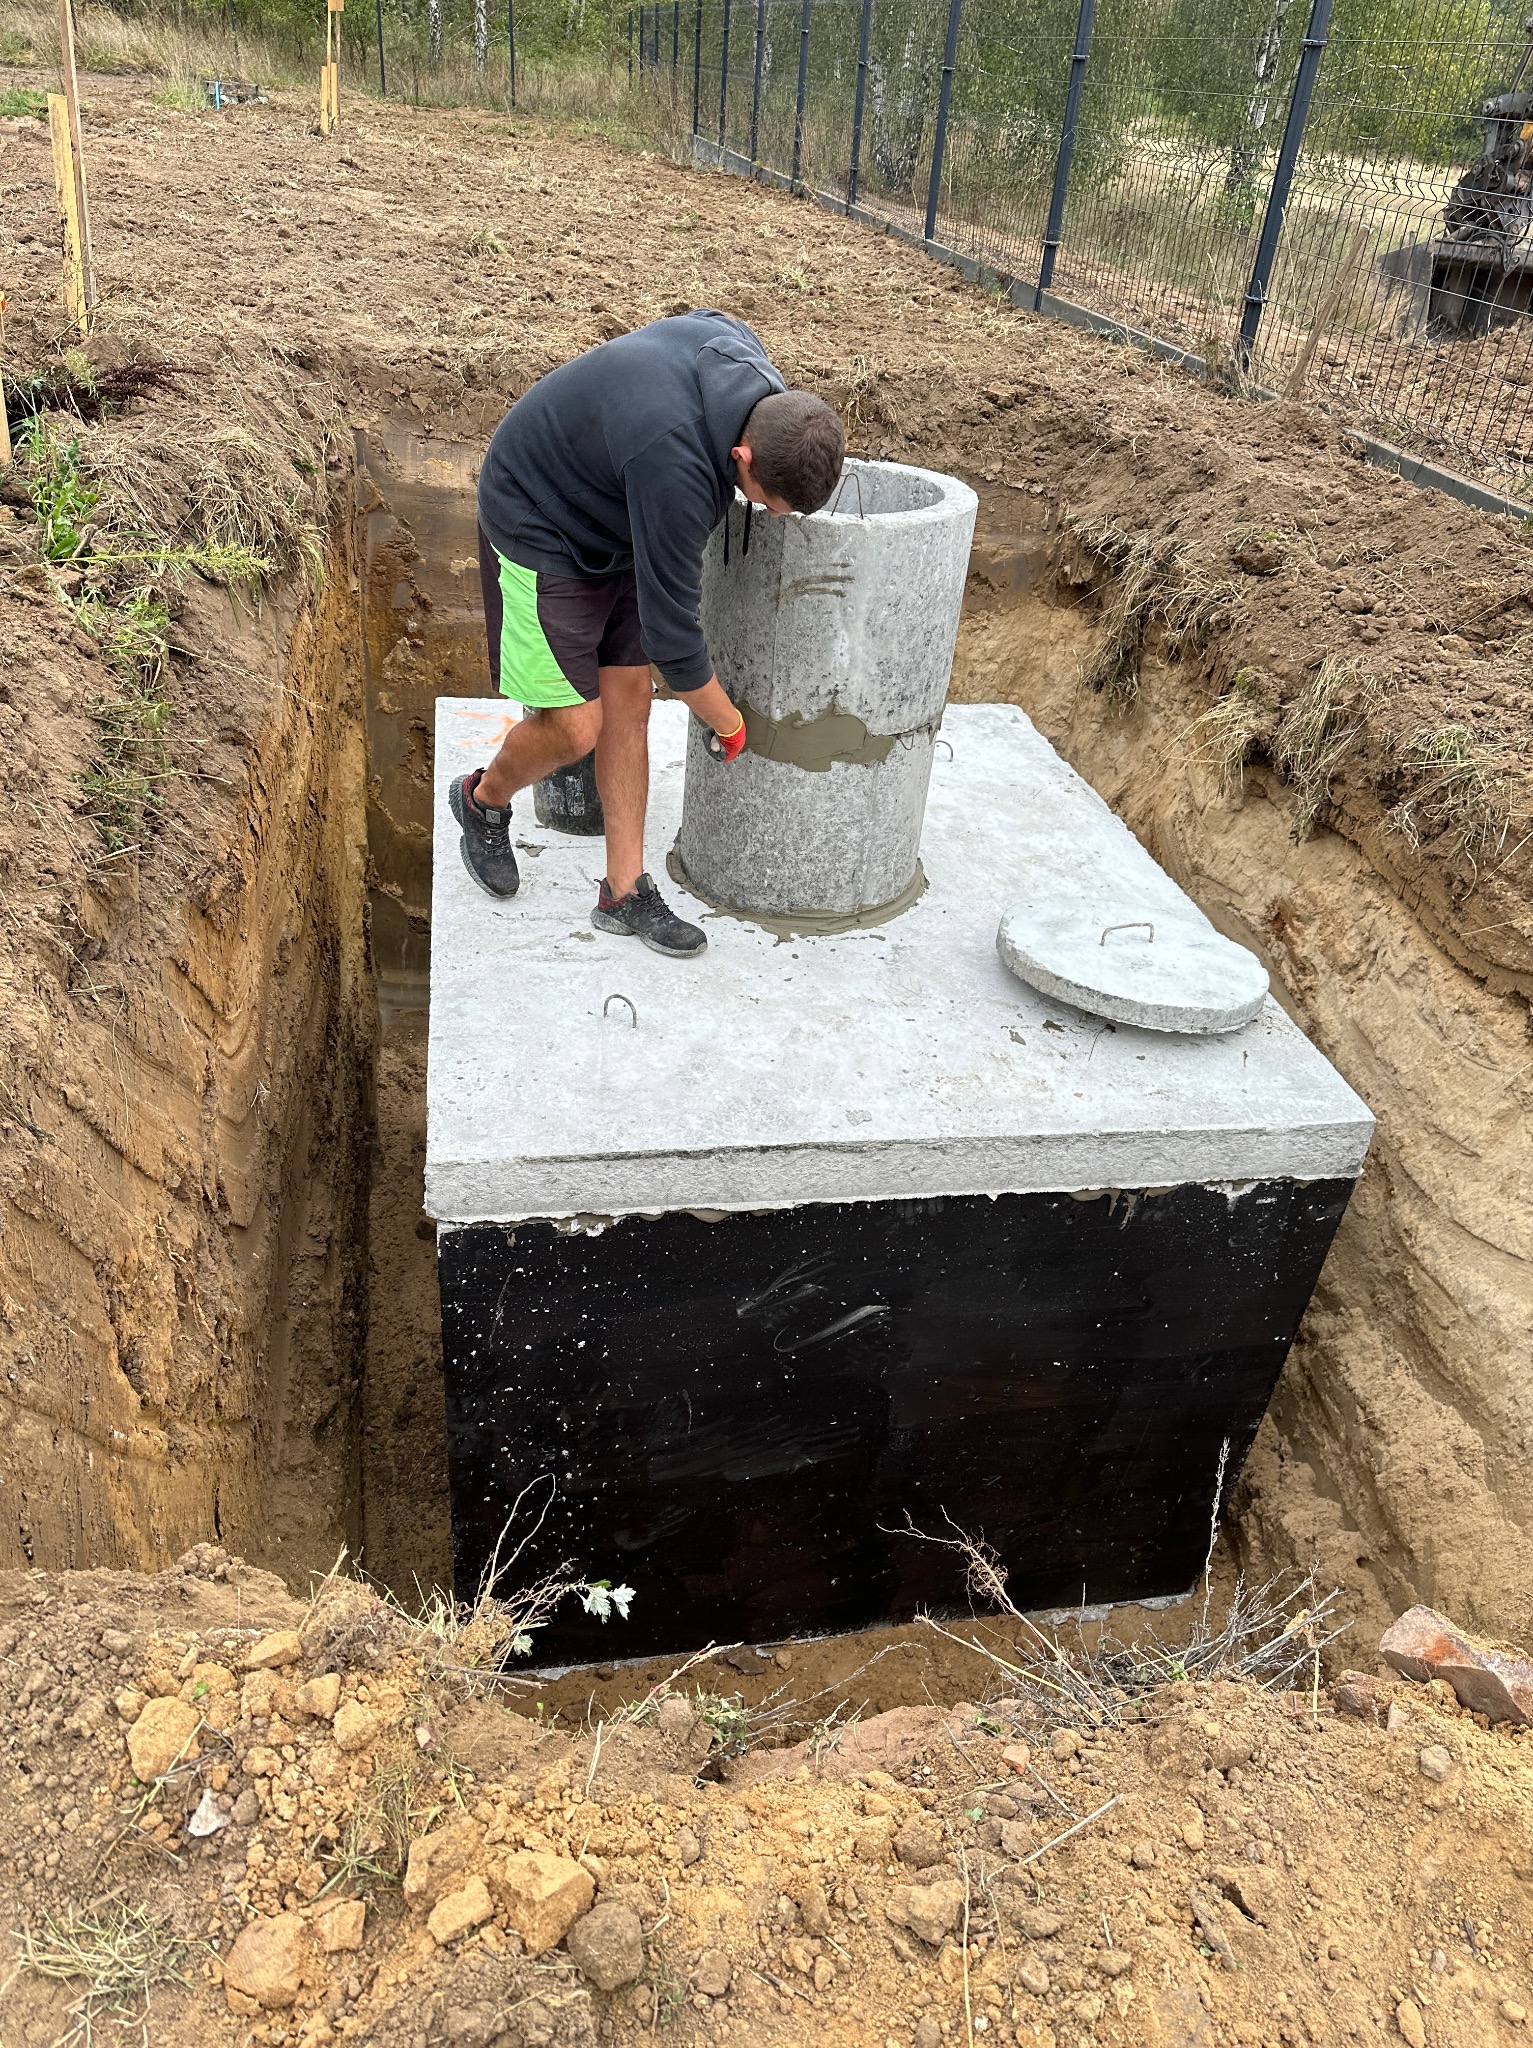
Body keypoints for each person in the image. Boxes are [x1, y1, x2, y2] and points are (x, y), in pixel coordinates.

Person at [451, 310, 845, 957]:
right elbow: (675, 644)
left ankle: (623, 892)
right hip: (539, 517)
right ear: (740, 456)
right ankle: (483, 800)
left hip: (618, 506)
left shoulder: (758, 390)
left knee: (629, 702)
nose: (769, 513)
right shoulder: (677, 467)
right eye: (766, 500)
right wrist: (729, 724)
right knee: (575, 727)